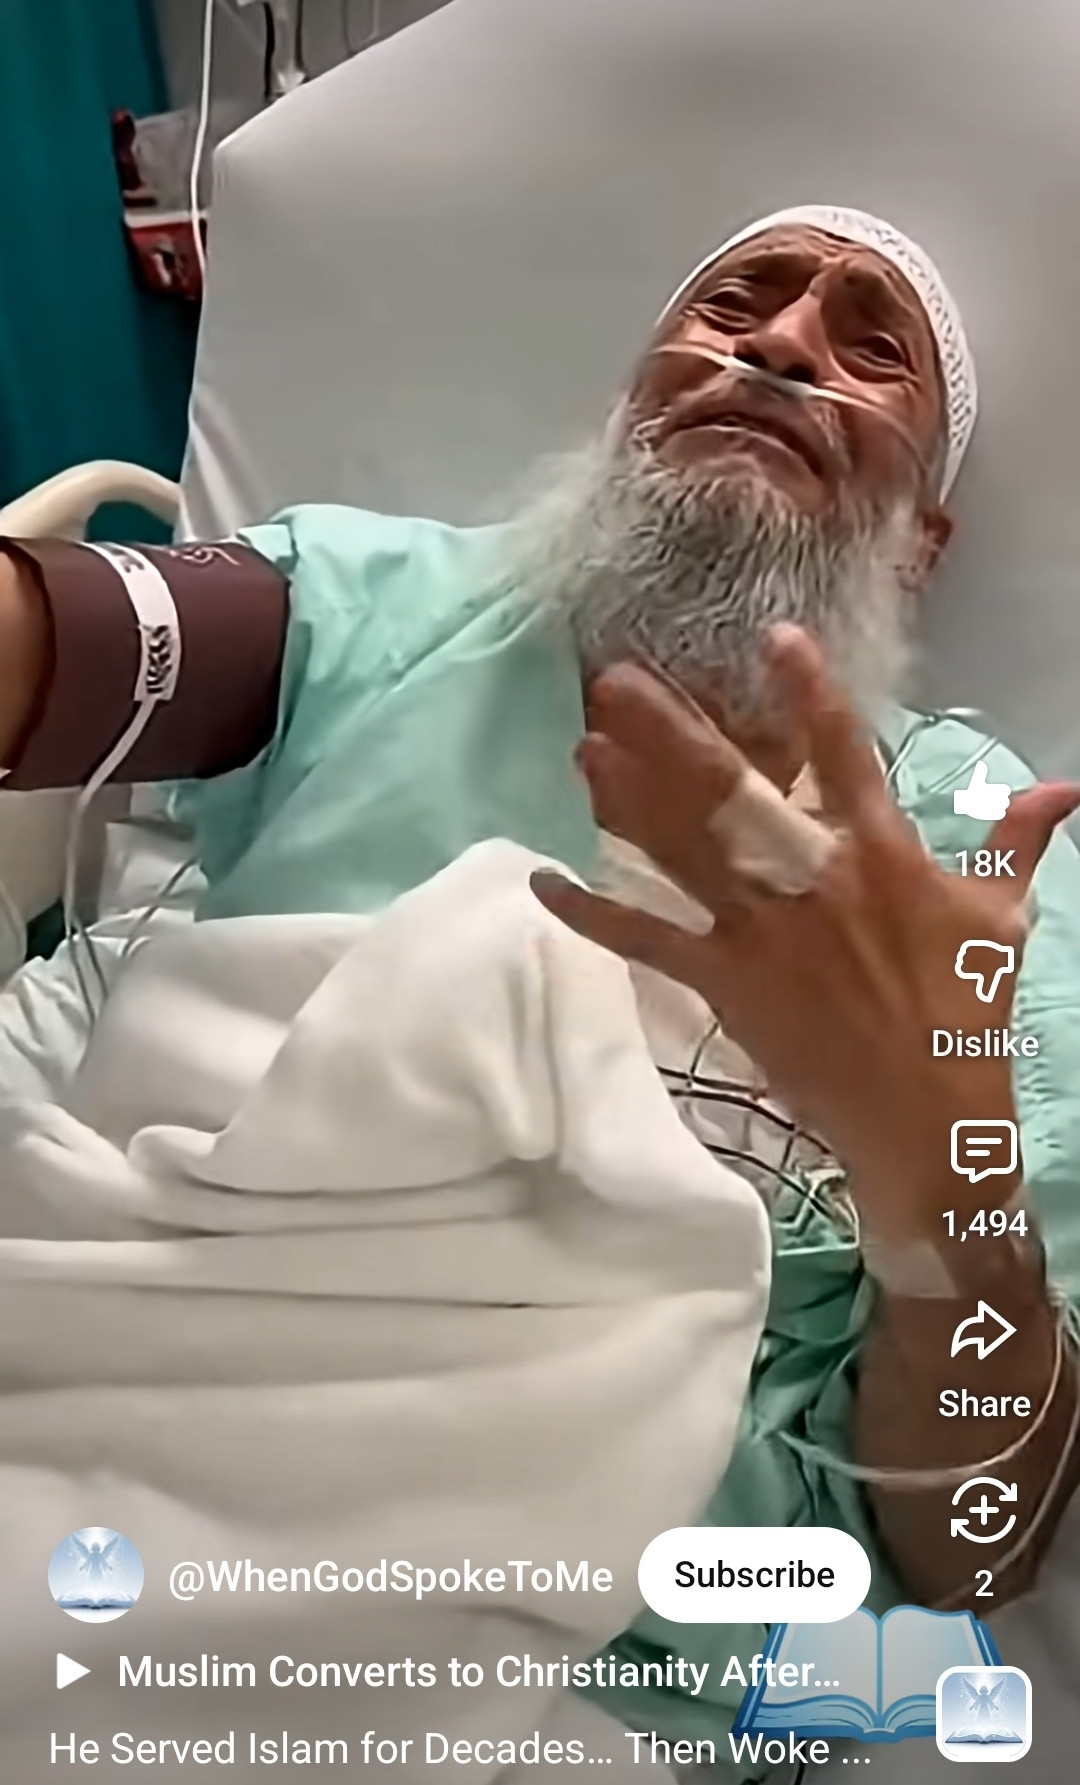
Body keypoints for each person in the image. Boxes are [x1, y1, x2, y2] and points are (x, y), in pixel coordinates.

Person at [2, 203, 1080, 1753]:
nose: (783, 345)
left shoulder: (986, 866)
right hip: (138, 1425)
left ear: (921, 544)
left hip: (597, 1666)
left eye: (872, 351)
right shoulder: (379, 607)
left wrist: (934, 1179)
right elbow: (75, 637)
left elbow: (978, 1547)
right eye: (737, 306)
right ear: (632, 414)